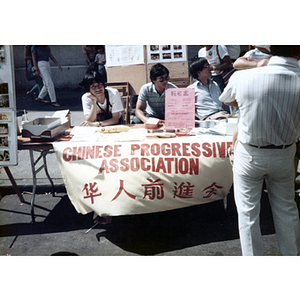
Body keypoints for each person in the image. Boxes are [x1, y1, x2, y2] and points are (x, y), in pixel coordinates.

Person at [219, 45, 300, 256]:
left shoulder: (243, 76)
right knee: (286, 210)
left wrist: (251, 103)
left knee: (247, 215)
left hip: (250, 153)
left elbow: (226, 99)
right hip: (285, 152)